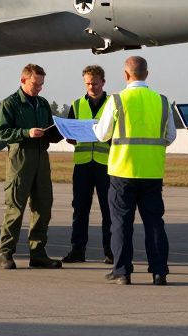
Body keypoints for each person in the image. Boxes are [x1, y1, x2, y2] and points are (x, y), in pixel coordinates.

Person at [94, 55, 175, 285]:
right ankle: (159, 272)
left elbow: (102, 135)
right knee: (154, 223)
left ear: (125, 74)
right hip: (151, 171)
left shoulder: (117, 99)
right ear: (146, 74)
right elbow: (170, 136)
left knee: (121, 223)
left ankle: (122, 272)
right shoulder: (161, 101)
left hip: (122, 171)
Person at [0, 63, 64, 270]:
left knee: (43, 208)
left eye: (41, 84)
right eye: (35, 84)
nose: (39, 88)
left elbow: (50, 129)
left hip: (42, 159)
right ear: (23, 80)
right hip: (20, 160)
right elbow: (3, 133)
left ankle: (38, 253)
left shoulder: (42, 104)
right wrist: (26, 132)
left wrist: (62, 131)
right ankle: (6, 253)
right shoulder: (10, 103)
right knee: (15, 209)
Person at [62, 64, 113, 264]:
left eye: (95, 83)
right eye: (88, 84)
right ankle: (77, 250)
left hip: (106, 164)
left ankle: (111, 251)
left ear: (103, 82)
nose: (92, 87)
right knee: (80, 209)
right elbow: (69, 132)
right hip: (83, 164)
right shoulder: (76, 105)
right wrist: (70, 136)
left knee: (109, 210)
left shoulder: (112, 104)